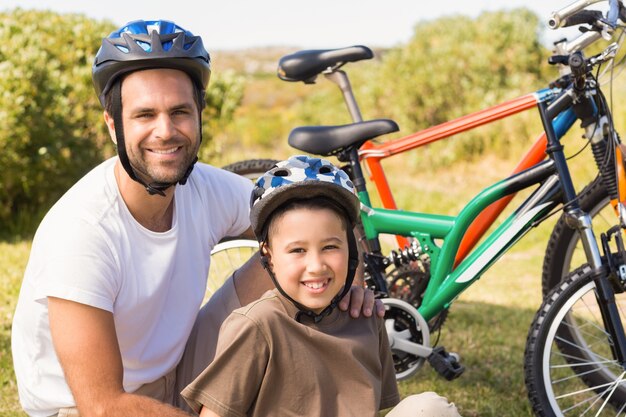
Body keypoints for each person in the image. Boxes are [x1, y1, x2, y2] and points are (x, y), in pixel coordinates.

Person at [10, 20, 381, 417]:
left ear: (199, 115)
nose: (165, 131)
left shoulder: (203, 187)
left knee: (287, 248)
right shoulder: (82, 230)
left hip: (179, 371)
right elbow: (103, 405)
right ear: (113, 123)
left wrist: (350, 283)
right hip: (81, 409)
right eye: (145, 115)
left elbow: (319, 218)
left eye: (180, 111)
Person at [181, 155, 462, 417]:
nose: (316, 265)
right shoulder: (256, 326)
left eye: (330, 247)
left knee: (431, 408)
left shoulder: (366, 319)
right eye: (297, 250)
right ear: (268, 256)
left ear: (351, 251)